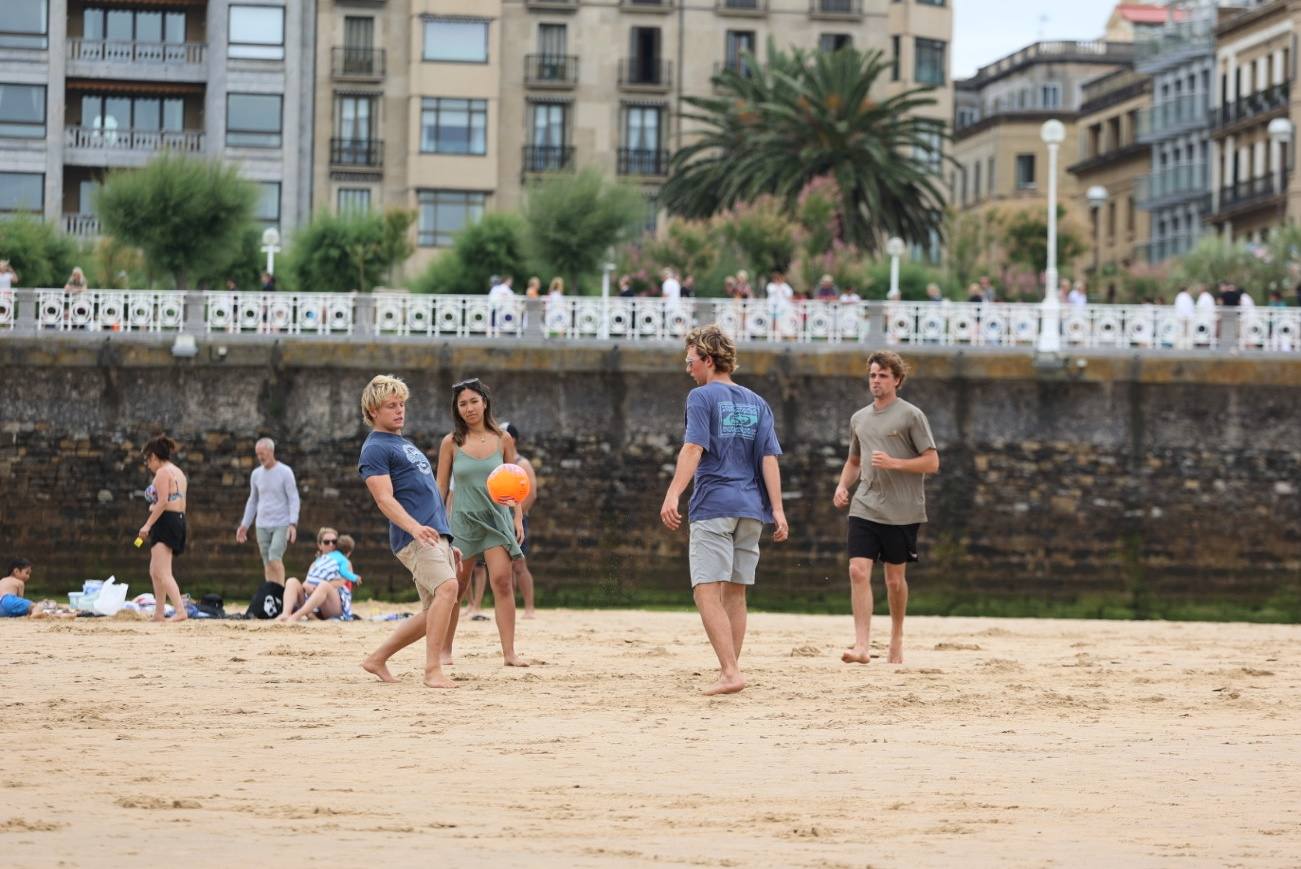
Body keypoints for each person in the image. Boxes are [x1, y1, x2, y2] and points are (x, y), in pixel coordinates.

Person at [659, 325, 788, 696]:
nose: (688, 369)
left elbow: (693, 449)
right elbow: (768, 458)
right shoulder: (757, 402)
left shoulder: (701, 397)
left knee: (705, 590)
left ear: (708, 360)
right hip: (751, 510)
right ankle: (730, 668)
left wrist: (672, 494)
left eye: (691, 361)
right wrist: (777, 510)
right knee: (736, 592)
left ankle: (730, 671)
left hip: (715, 505)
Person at [833, 351, 939, 665]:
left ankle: (896, 637)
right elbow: (854, 461)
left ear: (897, 380)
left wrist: (895, 463)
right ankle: (862, 645)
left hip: (903, 510)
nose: (876, 381)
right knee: (857, 570)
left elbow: (932, 462)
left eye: (882, 375)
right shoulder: (859, 418)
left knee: (894, 580)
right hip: (865, 505)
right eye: (872, 375)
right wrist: (842, 486)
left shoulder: (911, 416)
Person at [357, 375, 463, 689]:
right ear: (374, 411)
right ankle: (433, 670)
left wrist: (446, 537)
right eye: (391, 405)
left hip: (434, 534)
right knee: (449, 590)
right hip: (413, 536)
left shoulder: (402, 443)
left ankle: (377, 659)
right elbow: (383, 498)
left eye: (402, 404)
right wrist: (415, 528)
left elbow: (427, 493)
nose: (400, 410)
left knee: (434, 609)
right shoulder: (374, 448)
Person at [436, 378, 528, 667]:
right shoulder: (451, 442)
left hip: (496, 519)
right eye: (462, 404)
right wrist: (437, 526)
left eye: (474, 401)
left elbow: (517, 481)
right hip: (462, 521)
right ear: (457, 409)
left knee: (502, 581)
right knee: (456, 587)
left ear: (484, 402)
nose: (469, 408)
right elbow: (440, 488)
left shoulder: (503, 439)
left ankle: (509, 654)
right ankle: (444, 650)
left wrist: (518, 516)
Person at [235, 438, 300, 588]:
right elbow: (252, 501)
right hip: (262, 524)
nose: (260, 457)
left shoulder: (285, 472)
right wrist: (244, 525)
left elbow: (293, 498)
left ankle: (281, 591)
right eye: (257, 454)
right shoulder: (256, 474)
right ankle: (270, 593)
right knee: (266, 561)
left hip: (281, 523)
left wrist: (292, 523)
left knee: (274, 556)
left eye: (262, 453)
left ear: (271, 452)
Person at [138, 435, 189, 622]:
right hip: (178, 520)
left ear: (154, 456)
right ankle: (159, 612)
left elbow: (162, 502)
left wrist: (147, 525)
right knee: (155, 569)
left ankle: (180, 611)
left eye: (147, 460)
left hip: (165, 520)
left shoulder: (162, 473)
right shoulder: (178, 472)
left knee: (162, 572)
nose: (147, 464)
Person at [279, 533, 360, 622]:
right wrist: (306, 585)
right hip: (314, 603)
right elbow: (308, 581)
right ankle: (285, 614)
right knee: (292, 581)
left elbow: (340, 583)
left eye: (334, 542)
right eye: (326, 542)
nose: (331, 544)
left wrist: (317, 588)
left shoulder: (344, 563)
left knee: (324, 586)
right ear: (320, 545)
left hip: (333, 605)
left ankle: (297, 615)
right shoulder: (315, 564)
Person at [503, 421, 538, 618]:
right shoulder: (498, 462)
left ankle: (529, 608)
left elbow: (531, 494)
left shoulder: (522, 464)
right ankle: (512, 607)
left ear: (512, 439)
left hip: (517, 519)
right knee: (504, 567)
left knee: (519, 564)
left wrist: (517, 516)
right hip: (501, 519)